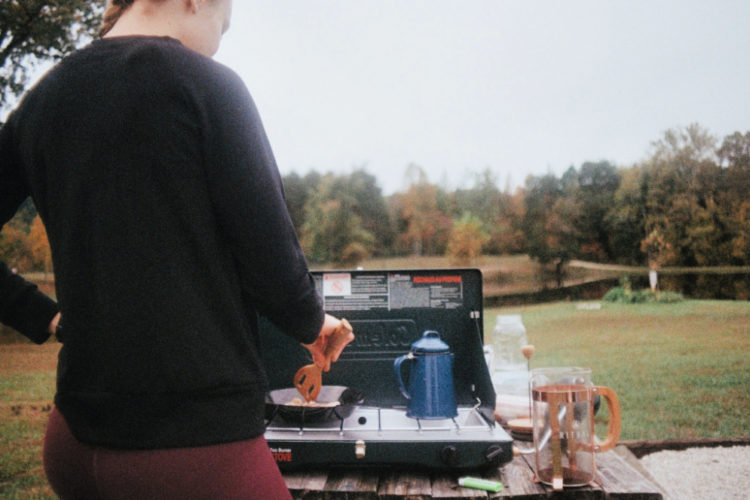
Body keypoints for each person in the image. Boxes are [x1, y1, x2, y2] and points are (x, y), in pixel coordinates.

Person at [0, 0, 353, 498]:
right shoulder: (206, 83)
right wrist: (313, 324)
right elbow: (269, 252)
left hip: (73, 445)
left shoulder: (44, 96)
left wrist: (43, 316)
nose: (217, 43)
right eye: (222, 28)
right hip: (192, 449)